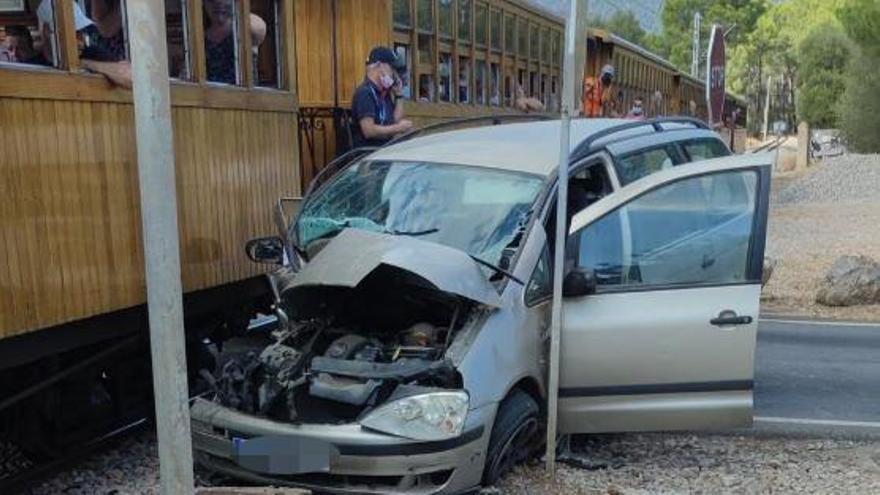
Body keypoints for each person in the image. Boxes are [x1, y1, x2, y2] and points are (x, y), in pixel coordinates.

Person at [36, 0, 132, 88]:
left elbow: (129, 76)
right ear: (47, 31)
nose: (80, 42)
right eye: (73, 33)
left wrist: (85, 64)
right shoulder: (33, 64)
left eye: (81, 32)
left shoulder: (91, 54)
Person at [350, 46, 412, 148]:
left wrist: (399, 95)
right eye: (392, 68)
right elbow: (368, 130)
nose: (394, 74)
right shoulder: (365, 93)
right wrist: (398, 128)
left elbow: (394, 120)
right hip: (368, 154)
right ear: (379, 65)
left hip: (384, 150)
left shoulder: (384, 93)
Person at [204, 0, 266, 84]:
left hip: (242, 95)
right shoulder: (200, 35)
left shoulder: (246, 27)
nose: (218, 3)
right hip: (208, 95)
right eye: (211, 1)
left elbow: (259, 28)